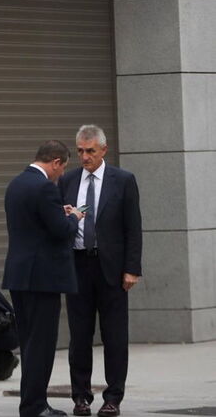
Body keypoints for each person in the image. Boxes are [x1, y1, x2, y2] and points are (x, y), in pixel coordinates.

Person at [60, 125, 142, 417]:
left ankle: (113, 398)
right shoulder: (68, 180)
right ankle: (81, 397)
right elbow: (59, 223)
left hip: (112, 269)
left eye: (90, 151)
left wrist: (132, 269)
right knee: (79, 336)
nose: (85, 157)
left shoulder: (123, 180)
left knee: (115, 336)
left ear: (103, 150)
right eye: (80, 151)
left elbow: (133, 228)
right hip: (78, 265)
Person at [2, 140, 85, 417]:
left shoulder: (16, 184)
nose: (61, 174)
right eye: (62, 168)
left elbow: (33, 223)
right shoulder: (45, 188)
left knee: (29, 343)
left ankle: (32, 402)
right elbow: (62, 231)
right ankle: (35, 406)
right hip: (43, 277)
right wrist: (74, 217)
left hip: (20, 275)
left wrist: (57, 213)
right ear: (56, 162)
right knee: (42, 344)